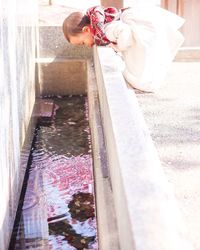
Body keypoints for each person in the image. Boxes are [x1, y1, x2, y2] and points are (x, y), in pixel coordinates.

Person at [62, 5, 185, 92]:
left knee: (140, 73)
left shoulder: (105, 30)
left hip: (143, 32)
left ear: (87, 29)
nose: (88, 46)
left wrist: (118, 47)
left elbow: (124, 31)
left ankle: (149, 82)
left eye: (83, 42)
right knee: (144, 64)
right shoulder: (99, 25)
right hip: (140, 26)